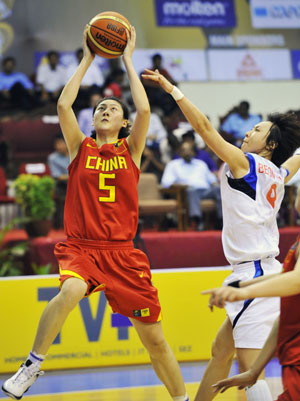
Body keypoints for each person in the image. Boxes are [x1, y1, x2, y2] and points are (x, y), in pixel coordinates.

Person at [1, 26, 189, 401]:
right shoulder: (79, 148)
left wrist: (128, 61)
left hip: (123, 252)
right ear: (93, 120)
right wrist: (88, 57)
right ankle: (32, 365)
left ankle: (181, 399)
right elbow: (61, 106)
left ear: (123, 123)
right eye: (101, 108)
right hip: (83, 248)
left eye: (113, 109)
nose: (106, 110)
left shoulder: (131, 151)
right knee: (70, 289)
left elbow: (146, 109)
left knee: (155, 342)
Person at [141, 69, 300, 401]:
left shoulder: (247, 164)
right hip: (260, 267)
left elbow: (203, 128)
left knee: (248, 370)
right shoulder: (278, 173)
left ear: (269, 145)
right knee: (221, 352)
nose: (247, 131)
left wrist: (173, 90)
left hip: (254, 274)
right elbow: (296, 159)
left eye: (256, 129)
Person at [204, 233, 300, 400]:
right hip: (292, 363)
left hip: (296, 361)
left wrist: (244, 292)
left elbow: (296, 279)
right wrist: (239, 287)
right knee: (220, 350)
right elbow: (287, 276)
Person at [161, 141, 222, 231]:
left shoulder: (200, 164)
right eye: (185, 150)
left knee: (219, 189)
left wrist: (216, 183)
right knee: (192, 190)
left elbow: (212, 180)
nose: (188, 152)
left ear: (194, 152)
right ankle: (198, 220)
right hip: (186, 192)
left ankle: (221, 220)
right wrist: (182, 186)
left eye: (190, 150)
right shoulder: (173, 165)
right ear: (180, 152)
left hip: (205, 191)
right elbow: (166, 183)